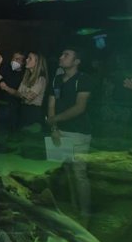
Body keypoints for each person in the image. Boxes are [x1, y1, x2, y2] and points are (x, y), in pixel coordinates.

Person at [47, 47, 93, 221]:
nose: (61, 57)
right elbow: (51, 104)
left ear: (76, 61)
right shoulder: (56, 80)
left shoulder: (83, 80)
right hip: (58, 132)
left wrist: (55, 120)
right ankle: (71, 207)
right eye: (61, 53)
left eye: (66, 55)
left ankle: (85, 213)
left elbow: (80, 107)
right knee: (64, 170)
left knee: (79, 174)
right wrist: (53, 128)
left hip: (79, 132)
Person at [0, 49, 25, 151]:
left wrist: (7, 88)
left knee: (14, 137)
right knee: (0, 135)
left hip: (18, 108)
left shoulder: (25, 73)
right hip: (3, 106)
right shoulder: (6, 68)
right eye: (14, 58)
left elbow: (22, 94)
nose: (15, 61)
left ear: (23, 62)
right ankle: (0, 152)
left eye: (18, 59)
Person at [17, 51, 48, 131]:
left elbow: (29, 97)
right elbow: (18, 93)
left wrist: (21, 94)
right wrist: (22, 94)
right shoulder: (26, 76)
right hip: (23, 110)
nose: (26, 60)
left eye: (30, 58)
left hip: (33, 112)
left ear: (37, 62)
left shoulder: (41, 78)